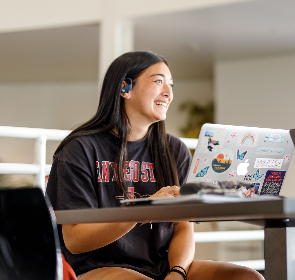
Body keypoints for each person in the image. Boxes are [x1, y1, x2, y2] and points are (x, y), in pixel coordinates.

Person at [46, 51, 263, 280]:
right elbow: (75, 240)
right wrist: (143, 209)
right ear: (125, 88)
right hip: (95, 269)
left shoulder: (175, 150)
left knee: (247, 278)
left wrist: (177, 272)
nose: (168, 93)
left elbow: (183, 228)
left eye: (170, 85)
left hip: (160, 267)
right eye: (158, 81)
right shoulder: (79, 149)